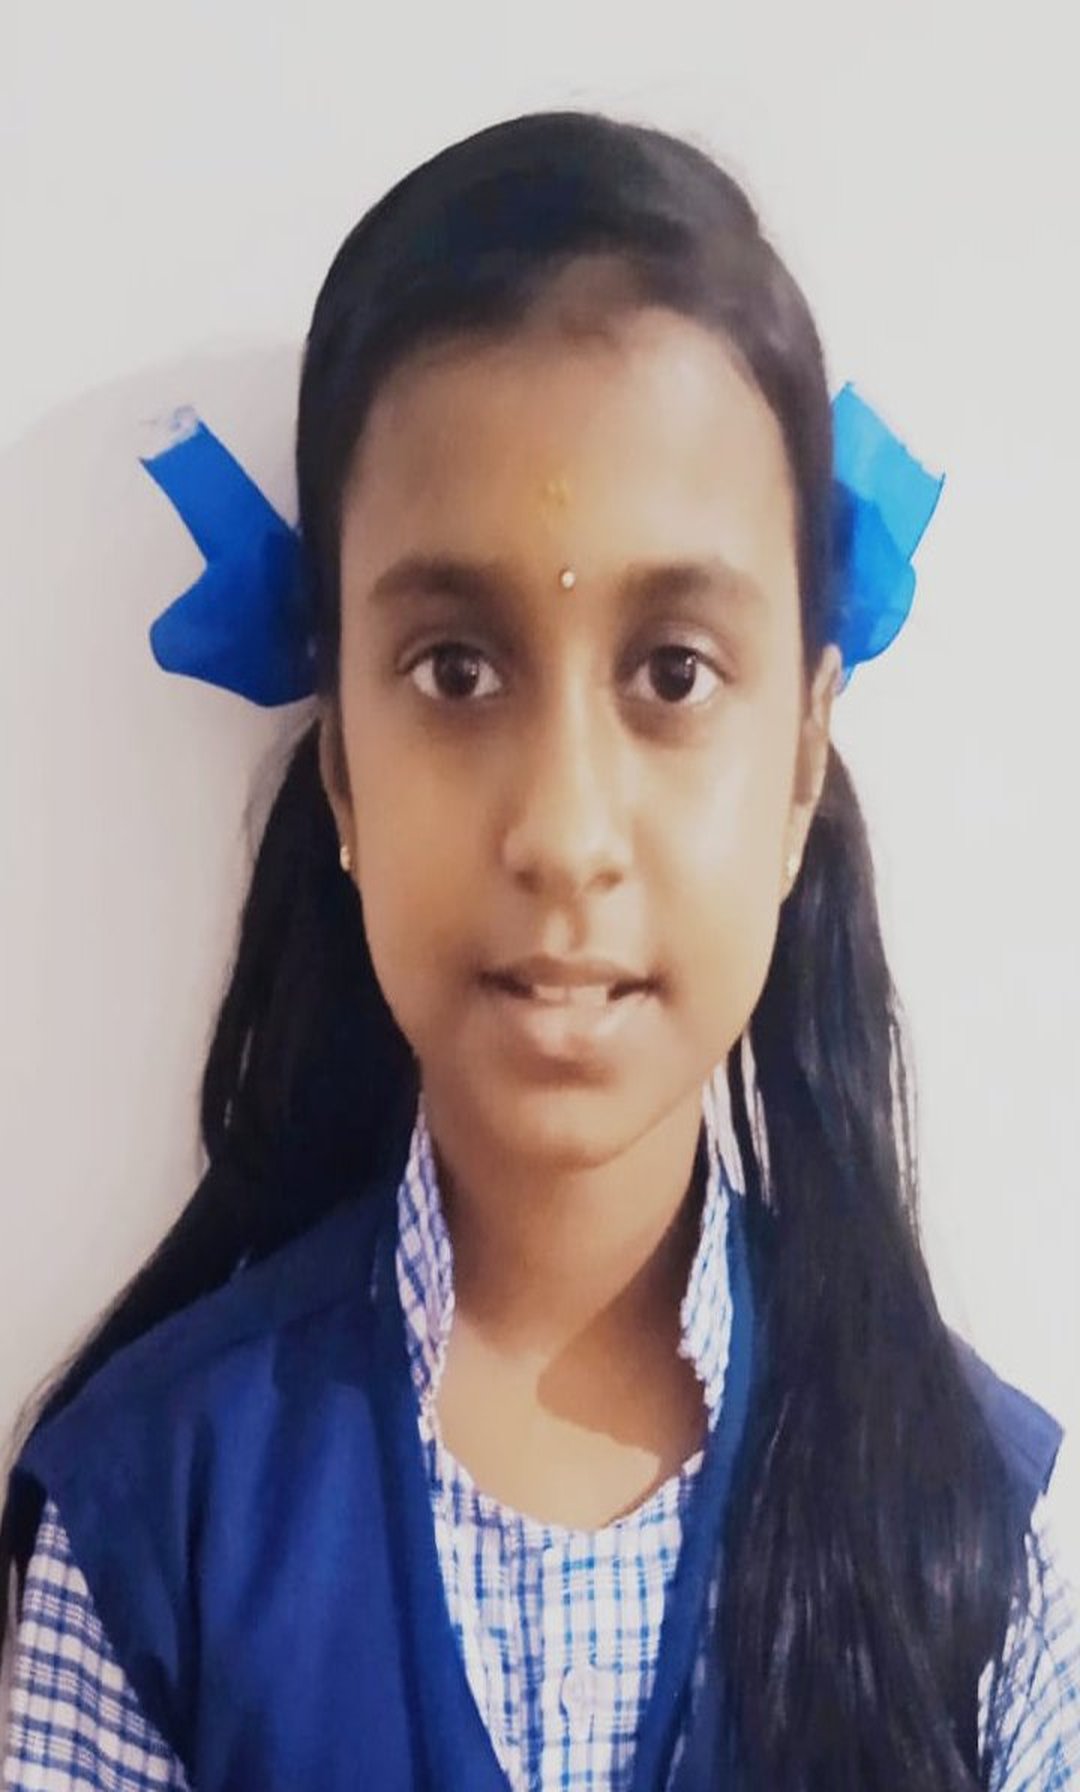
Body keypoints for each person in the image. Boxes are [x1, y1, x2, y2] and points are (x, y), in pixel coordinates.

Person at [1, 107, 1077, 1792]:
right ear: (342, 771)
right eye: (456, 669)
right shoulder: (155, 1532)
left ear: (802, 760)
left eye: (671, 674)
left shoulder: (969, 1540)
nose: (566, 833)